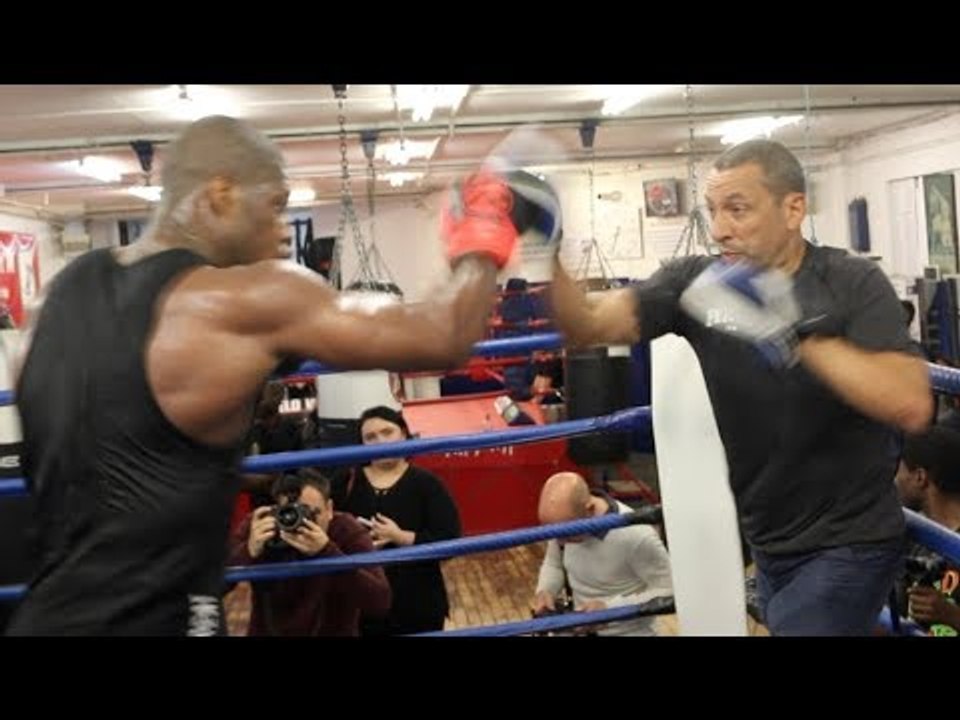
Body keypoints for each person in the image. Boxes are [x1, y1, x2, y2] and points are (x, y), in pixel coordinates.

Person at [6, 114, 561, 636]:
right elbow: (443, 336)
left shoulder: (56, 298)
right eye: (274, 207)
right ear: (220, 195)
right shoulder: (244, 300)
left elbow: (130, 452)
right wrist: (485, 231)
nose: (278, 233)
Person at [547, 138, 933, 636]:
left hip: (852, 540)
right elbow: (591, 324)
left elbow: (911, 401)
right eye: (712, 210)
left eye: (737, 208)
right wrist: (545, 251)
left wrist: (789, 333)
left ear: (793, 208)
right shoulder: (697, 283)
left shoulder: (851, 282)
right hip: (770, 541)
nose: (720, 228)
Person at [332, 406, 461, 635]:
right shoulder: (344, 482)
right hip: (362, 603)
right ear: (361, 444)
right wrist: (356, 539)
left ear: (403, 433)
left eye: (387, 432)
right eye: (370, 437)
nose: (380, 441)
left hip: (419, 601)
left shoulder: (427, 484)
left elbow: (450, 538)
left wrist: (401, 537)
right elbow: (328, 531)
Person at [229, 469, 391, 636]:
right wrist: (248, 551)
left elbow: (379, 602)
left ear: (330, 509)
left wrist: (327, 552)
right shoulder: (262, 525)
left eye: (311, 514)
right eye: (292, 513)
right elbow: (214, 586)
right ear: (276, 509)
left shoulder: (346, 529)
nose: (302, 523)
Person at [531, 472, 673, 636]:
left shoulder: (637, 535)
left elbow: (668, 591)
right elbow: (554, 563)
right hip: (579, 628)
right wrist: (546, 591)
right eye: (554, 535)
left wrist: (609, 610)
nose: (560, 542)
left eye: (566, 535)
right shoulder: (566, 520)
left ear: (589, 510)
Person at [893, 426, 960, 636]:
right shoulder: (914, 535)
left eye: (899, 469)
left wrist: (953, 616)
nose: (894, 479)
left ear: (920, 477)